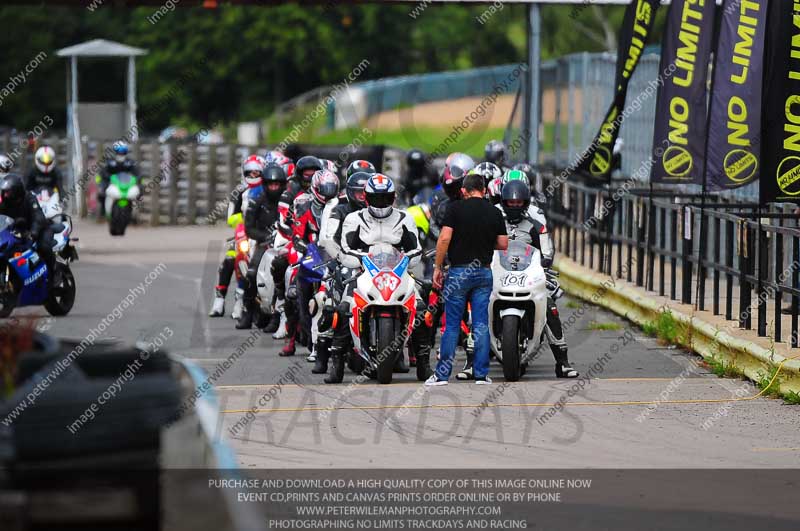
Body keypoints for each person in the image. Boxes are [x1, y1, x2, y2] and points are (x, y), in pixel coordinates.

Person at [327, 174, 426, 383]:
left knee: (422, 307)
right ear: (366, 197)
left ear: (393, 197)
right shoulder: (355, 219)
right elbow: (345, 248)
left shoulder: (404, 218)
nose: (380, 203)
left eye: (385, 198)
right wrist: (359, 259)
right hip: (363, 272)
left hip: (398, 272)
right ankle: (336, 362)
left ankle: (423, 361)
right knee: (344, 308)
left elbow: (416, 248)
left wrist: (409, 258)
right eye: (376, 198)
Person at [426, 173, 508, 386]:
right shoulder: (494, 212)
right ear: (484, 190)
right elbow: (502, 243)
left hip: (459, 272)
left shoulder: (455, 209)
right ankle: (481, 375)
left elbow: (444, 238)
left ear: (464, 191)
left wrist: (437, 266)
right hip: (483, 272)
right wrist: (483, 240)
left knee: (452, 325)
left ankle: (442, 375)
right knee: (480, 324)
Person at [499, 180, 578, 378]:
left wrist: (545, 262)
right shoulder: (496, 221)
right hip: (500, 274)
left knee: (550, 305)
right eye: (510, 203)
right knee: (477, 303)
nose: (514, 206)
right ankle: (471, 363)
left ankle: (563, 362)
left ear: (525, 203)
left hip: (528, 274)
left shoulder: (535, 225)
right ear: (503, 202)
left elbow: (547, 249)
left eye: (518, 203)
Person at [314, 171, 371, 376]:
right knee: (334, 302)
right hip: (345, 262)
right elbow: (329, 238)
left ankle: (407, 354)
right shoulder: (339, 210)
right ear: (350, 193)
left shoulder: (378, 211)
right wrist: (342, 258)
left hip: (373, 264)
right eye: (359, 194)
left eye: (366, 193)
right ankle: (328, 355)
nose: (363, 198)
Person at [282, 169, 339, 357]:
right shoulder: (302, 203)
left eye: (332, 189)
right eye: (325, 189)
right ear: (316, 188)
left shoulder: (341, 205)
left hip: (334, 253)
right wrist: (307, 250)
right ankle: (290, 339)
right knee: (293, 288)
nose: (328, 193)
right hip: (310, 251)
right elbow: (297, 236)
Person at [271, 155, 323, 339]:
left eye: (313, 174)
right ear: (299, 175)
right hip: (292, 237)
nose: (309, 178)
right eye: (306, 175)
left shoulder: (328, 194)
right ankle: (282, 313)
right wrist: (298, 238)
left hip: (320, 243)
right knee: (279, 263)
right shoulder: (290, 194)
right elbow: (284, 222)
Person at [208, 155, 266, 318]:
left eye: (256, 173)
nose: (253, 176)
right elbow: (231, 218)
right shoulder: (240, 192)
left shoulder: (267, 189)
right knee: (229, 260)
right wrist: (247, 217)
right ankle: (219, 299)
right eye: (250, 172)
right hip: (242, 235)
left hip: (261, 234)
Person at [236, 163, 286, 329]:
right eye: (271, 184)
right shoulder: (255, 201)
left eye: (277, 184)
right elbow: (249, 228)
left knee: (285, 276)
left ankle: (278, 317)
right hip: (263, 244)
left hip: (284, 243)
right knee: (251, 274)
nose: (274, 187)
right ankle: (247, 313)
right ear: (265, 184)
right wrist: (266, 237)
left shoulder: (288, 201)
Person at [0, 173, 55, 285]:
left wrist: (34, 232)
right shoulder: (4, 202)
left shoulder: (29, 198)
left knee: (44, 247)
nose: (5, 195)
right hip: (18, 232)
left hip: (38, 230)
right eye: (4, 192)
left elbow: (38, 217)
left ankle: (52, 275)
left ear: (16, 192)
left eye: (8, 192)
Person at [96, 143, 137, 219]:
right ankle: (102, 212)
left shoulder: (130, 162)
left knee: (138, 193)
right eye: (119, 151)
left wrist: (138, 179)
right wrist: (107, 177)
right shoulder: (110, 162)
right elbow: (103, 172)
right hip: (111, 182)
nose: (121, 153)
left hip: (125, 184)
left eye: (123, 151)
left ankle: (134, 216)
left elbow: (136, 172)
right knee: (102, 193)